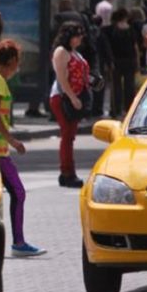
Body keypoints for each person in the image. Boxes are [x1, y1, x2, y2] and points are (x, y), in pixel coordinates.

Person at [0, 39, 46, 257]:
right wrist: (13, 141)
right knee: (18, 192)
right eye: (18, 61)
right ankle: (18, 242)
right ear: (12, 61)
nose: (19, 66)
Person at [50, 22, 89, 189]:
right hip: (62, 98)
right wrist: (73, 98)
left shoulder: (75, 53)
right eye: (76, 34)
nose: (80, 38)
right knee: (67, 135)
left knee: (70, 136)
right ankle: (67, 172)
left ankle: (67, 172)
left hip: (74, 97)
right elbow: (61, 78)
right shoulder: (61, 52)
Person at [107, 9, 139, 119]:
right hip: (129, 60)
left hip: (116, 61)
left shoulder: (112, 30)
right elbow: (135, 47)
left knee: (116, 86)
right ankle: (129, 109)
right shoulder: (131, 30)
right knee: (129, 86)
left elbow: (109, 46)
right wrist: (137, 61)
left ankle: (116, 110)